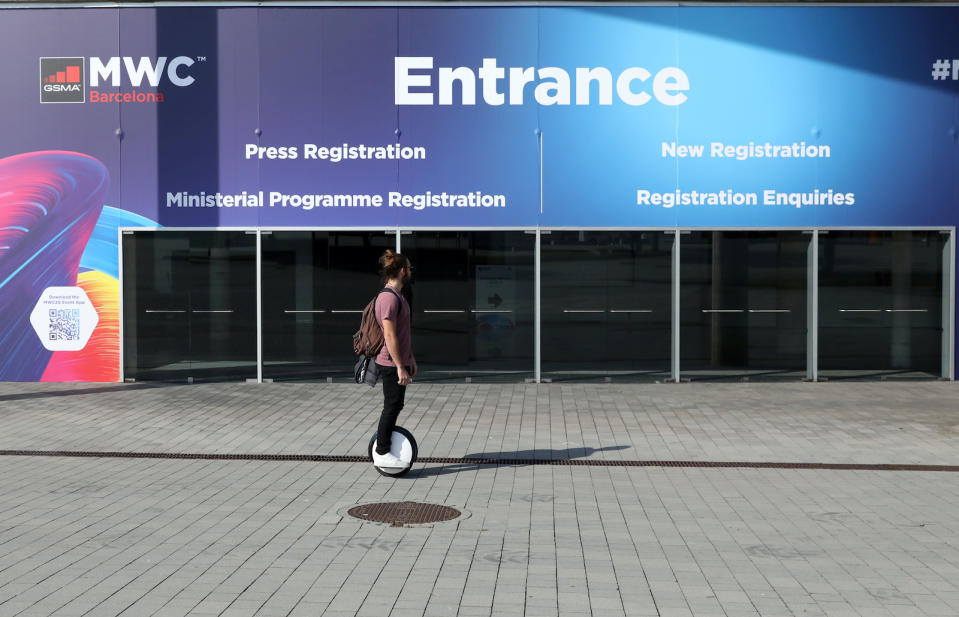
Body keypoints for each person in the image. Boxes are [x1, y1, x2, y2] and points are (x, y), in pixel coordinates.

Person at [372, 250, 416, 468]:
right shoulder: (388, 298)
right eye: (409, 268)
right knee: (391, 405)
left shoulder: (399, 296)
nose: (410, 271)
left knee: (396, 404)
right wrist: (400, 366)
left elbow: (403, 332)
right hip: (390, 362)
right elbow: (389, 335)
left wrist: (411, 358)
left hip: (399, 360)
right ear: (401, 271)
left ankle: (383, 445)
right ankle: (381, 452)